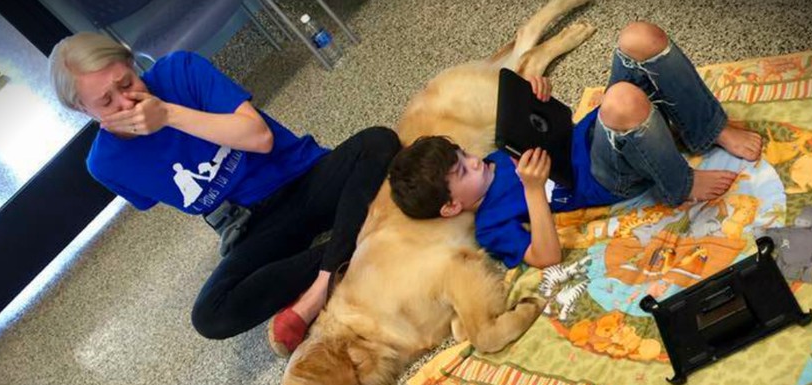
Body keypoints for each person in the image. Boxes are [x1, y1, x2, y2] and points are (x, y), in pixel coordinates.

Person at [48, 32, 400, 356]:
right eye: (106, 101)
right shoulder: (106, 165)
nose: (127, 103)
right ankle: (357, 241)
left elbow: (259, 138)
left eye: (127, 82)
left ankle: (322, 283)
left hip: (304, 178)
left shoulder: (180, 71)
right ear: (84, 110)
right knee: (211, 316)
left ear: (131, 64)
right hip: (255, 226)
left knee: (377, 142)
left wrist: (168, 115)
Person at [388, 22, 761, 269]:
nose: (475, 161)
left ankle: (709, 130)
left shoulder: (495, 155)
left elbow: (557, 133)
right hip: (607, 174)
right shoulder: (490, 224)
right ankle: (681, 184)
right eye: (463, 170)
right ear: (452, 206)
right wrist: (534, 190)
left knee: (639, 38)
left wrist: (542, 103)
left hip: (594, 131)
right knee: (622, 102)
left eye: (464, 155)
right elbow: (546, 257)